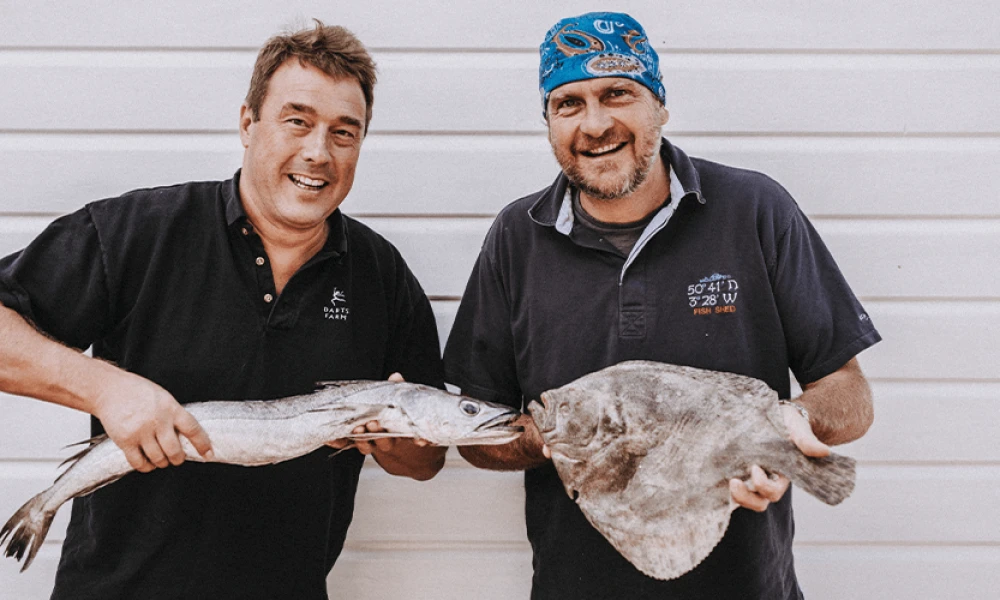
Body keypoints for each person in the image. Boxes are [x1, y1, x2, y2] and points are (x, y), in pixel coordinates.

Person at [0, 21, 446, 599]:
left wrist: (401, 445)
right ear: (247, 123)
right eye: (297, 121)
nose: (318, 151)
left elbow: (425, 461)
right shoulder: (140, 232)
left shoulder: (383, 276)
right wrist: (104, 389)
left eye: (344, 132)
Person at [444, 11, 880, 600]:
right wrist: (556, 436)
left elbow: (849, 395)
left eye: (617, 93)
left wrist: (775, 432)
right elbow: (483, 433)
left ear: (660, 104)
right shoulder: (516, 238)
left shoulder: (756, 210)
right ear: (548, 121)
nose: (594, 124)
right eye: (567, 103)